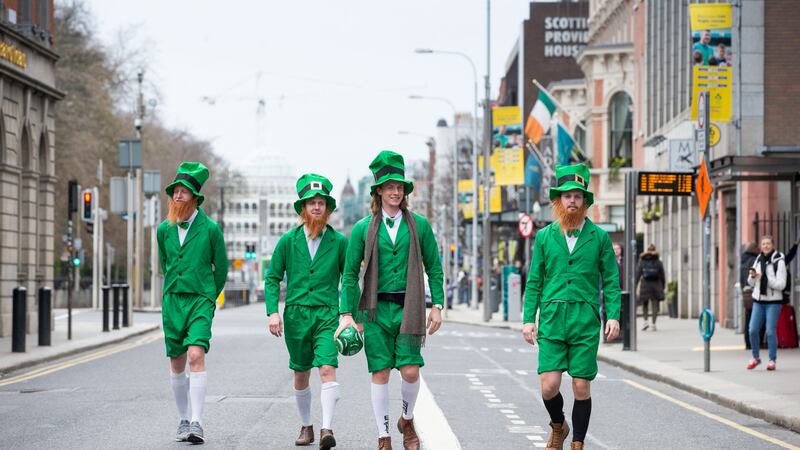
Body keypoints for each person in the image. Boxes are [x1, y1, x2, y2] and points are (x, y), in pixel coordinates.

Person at [338, 150, 444, 450]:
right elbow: (349, 274)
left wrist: (436, 305)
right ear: (379, 191)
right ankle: (383, 435)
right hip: (374, 312)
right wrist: (347, 313)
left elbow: (434, 267)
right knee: (380, 373)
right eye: (389, 186)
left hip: (409, 308)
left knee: (411, 370)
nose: (395, 191)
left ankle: (407, 420)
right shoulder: (362, 229)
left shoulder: (419, 226)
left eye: (399, 186)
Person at [521, 164, 620, 450]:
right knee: (549, 385)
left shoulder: (599, 237)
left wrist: (613, 314)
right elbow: (535, 281)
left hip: (584, 320)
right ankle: (558, 426)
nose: (572, 200)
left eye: (578, 195)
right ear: (558, 201)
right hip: (552, 319)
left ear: (585, 201)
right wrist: (529, 319)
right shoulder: (544, 237)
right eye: (567, 196)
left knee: (581, 385)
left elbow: (611, 280)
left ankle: (577, 443)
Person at [265, 174, 348, 449]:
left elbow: (349, 279)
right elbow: (272, 277)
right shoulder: (288, 241)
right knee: (301, 373)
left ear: (327, 208)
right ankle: (306, 426)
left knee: (327, 367)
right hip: (296, 315)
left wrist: (351, 316)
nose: (316, 207)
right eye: (311, 203)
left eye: (321, 203)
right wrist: (272, 312)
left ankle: (327, 428)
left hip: (327, 314)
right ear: (303, 208)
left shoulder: (339, 242)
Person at [157, 162, 228, 444]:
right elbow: (166, 263)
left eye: (184, 192)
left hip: (200, 299)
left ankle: (197, 422)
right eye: (175, 191)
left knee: (196, 355)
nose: (177, 196)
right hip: (173, 299)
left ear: (195, 198)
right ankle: (183, 419)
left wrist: (209, 295)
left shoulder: (211, 229)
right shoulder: (163, 230)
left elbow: (220, 268)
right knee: (176, 361)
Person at [746, 235, 786, 371]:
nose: (766, 246)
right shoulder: (758, 259)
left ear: (773, 245)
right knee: (752, 329)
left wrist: (766, 279)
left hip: (773, 302)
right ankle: (755, 357)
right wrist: (753, 277)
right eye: (763, 244)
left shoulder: (779, 261)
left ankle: (772, 360)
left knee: (770, 331)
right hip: (758, 300)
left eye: (768, 243)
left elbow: (782, 284)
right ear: (761, 247)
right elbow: (750, 282)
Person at [635, 244, 665, 331]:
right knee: (655, 305)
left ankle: (645, 322)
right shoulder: (658, 261)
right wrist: (662, 286)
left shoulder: (642, 260)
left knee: (645, 304)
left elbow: (638, 273)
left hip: (645, 284)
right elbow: (662, 275)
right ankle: (653, 324)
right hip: (656, 284)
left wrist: (636, 284)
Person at [740, 241, 760, 349]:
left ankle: (747, 342)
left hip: (745, 293)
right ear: (754, 249)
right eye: (758, 248)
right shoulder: (753, 261)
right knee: (755, 320)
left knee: (748, 318)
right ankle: (753, 343)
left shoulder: (743, 261)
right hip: (753, 292)